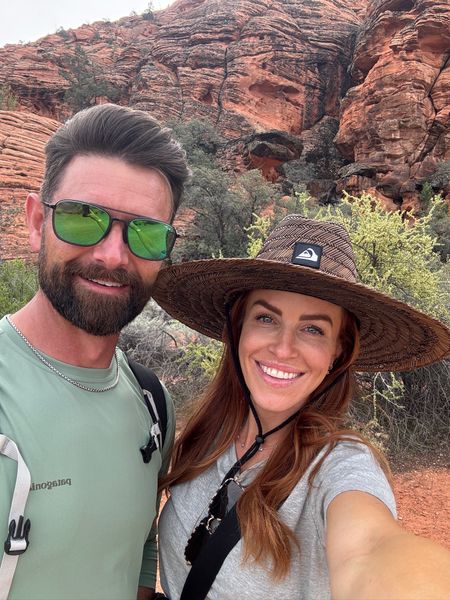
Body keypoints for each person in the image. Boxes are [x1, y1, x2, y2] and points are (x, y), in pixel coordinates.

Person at [152, 214, 450, 599]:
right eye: (265, 318)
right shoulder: (207, 435)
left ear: (338, 350)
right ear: (237, 328)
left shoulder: (340, 466)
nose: (283, 348)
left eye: (313, 329)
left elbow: (370, 548)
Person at [0, 103, 190, 600]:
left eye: (145, 232)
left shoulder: (151, 402)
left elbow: (139, 551)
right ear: (37, 220)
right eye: (84, 218)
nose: (112, 254)